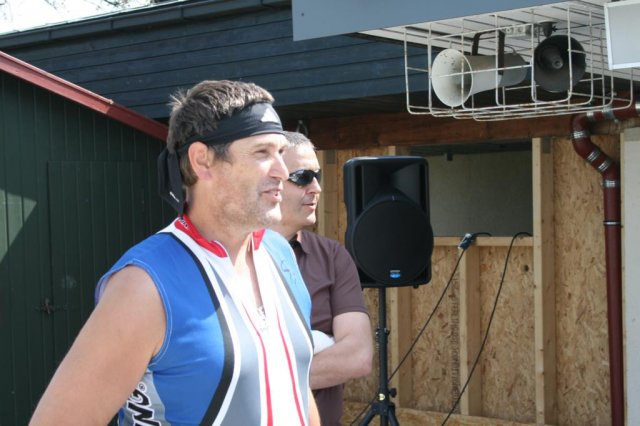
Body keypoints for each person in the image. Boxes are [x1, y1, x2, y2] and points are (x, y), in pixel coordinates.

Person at [29, 80, 320, 426]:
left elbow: (294, 387)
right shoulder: (145, 285)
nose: (283, 172)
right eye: (262, 153)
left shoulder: (279, 254)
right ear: (202, 160)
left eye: (281, 152)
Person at [271, 131, 373, 426]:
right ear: (270, 181)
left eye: (317, 176)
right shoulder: (233, 256)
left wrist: (263, 378)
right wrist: (322, 352)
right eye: (303, 177)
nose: (316, 188)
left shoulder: (331, 256)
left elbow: (357, 356)